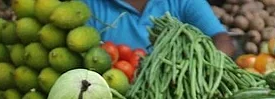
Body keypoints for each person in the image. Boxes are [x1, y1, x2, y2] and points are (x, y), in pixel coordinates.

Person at [86, 0, 236, 56]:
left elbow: (222, 40)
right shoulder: (88, 6)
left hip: (178, 92)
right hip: (116, 98)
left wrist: (205, 69)